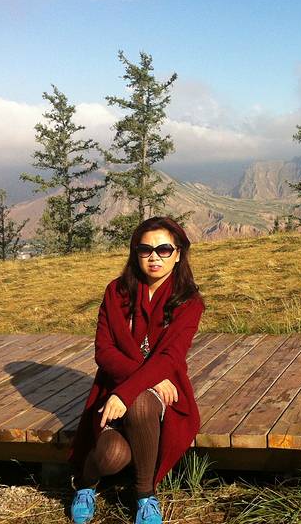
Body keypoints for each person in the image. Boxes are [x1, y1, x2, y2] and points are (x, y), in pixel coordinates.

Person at [68, 216, 204, 524]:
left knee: (141, 402)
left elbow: (171, 357)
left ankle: (145, 494)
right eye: (145, 249)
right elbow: (104, 352)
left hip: (163, 395)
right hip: (115, 387)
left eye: (164, 249)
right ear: (135, 253)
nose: (154, 257)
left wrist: (130, 392)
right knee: (111, 456)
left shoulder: (189, 301)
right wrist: (142, 384)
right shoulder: (116, 292)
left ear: (178, 254)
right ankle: (85, 484)